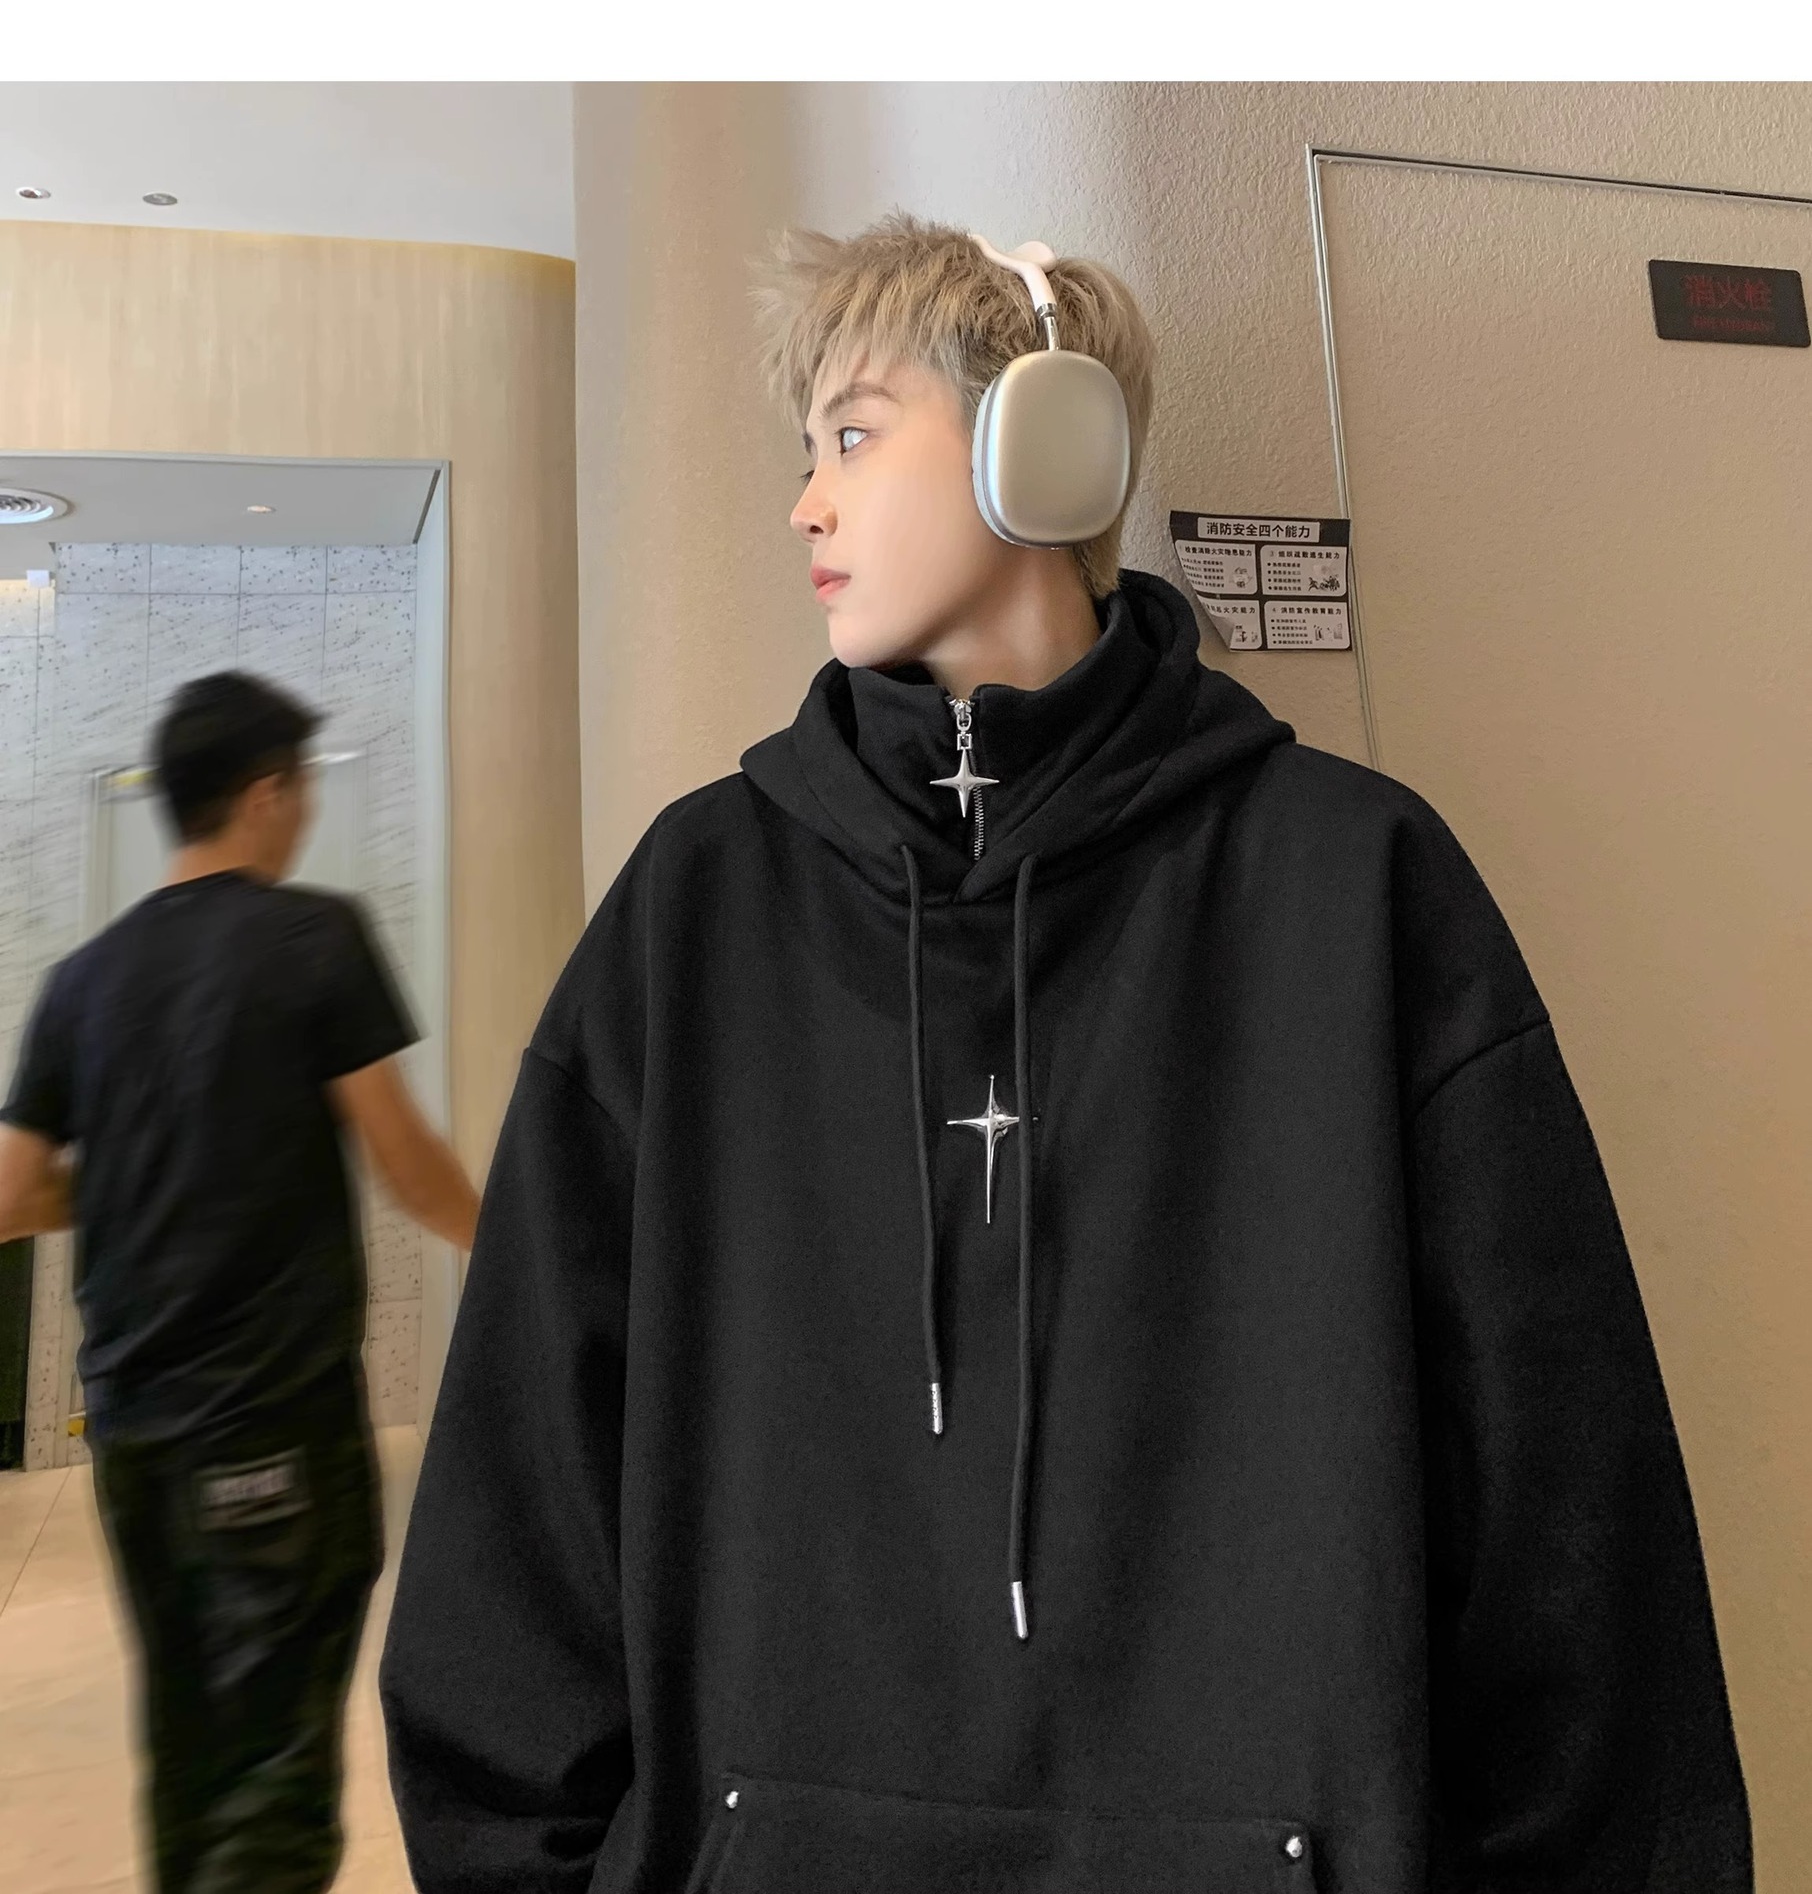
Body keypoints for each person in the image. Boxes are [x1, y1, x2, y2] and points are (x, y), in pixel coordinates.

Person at [379, 215, 1751, 1892]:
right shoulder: (697, 906)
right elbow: (524, 1486)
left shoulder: (1356, 888)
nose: (803, 504)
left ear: (1046, 446)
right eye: (806, 452)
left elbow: (1566, 1512)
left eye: (852, 437)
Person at [0, 669, 480, 1894]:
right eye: (300, 787)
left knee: (189, 1740)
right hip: (272, 1421)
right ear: (265, 793)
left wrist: (130, 1180)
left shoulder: (79, 980)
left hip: (134, 1436)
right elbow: (404, 1159)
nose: (304, 811)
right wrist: (514, 1247)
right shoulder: (311, 936)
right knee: (273, 1767)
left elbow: (10, 1198)